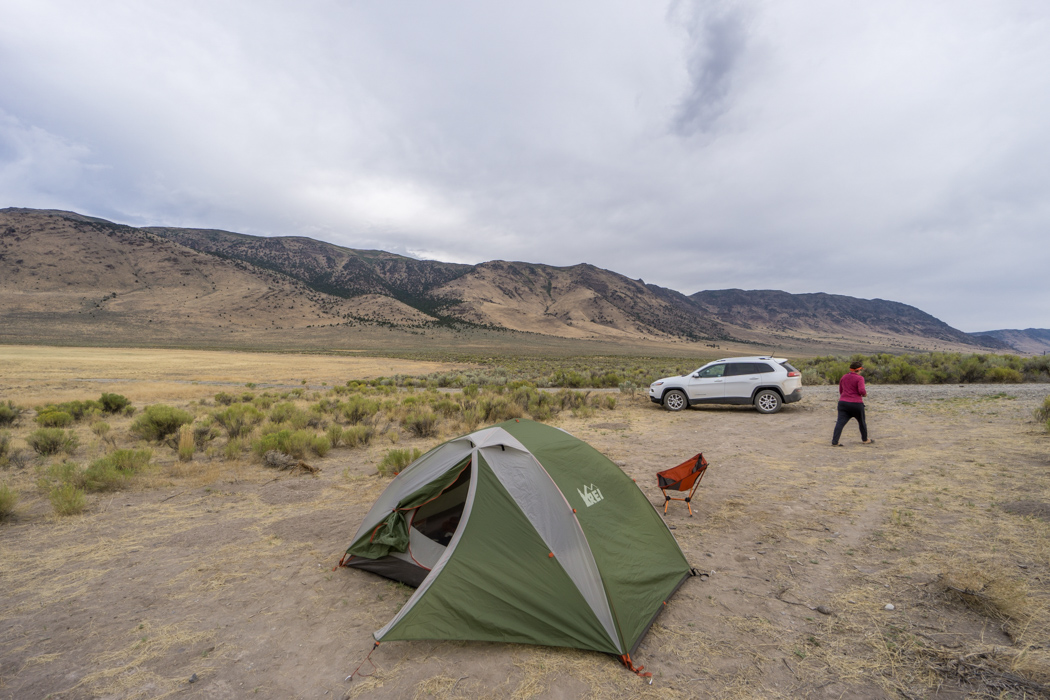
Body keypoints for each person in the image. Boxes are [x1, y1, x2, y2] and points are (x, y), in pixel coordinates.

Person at [832, 361, 873, 446]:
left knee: (840, 422)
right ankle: (865, 439)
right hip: (856, 404)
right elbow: (861, 391)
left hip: (843, 403)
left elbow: (841, 390)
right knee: (861, 422)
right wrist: (865, 394)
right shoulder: (859, 378)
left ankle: (835, 441)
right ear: (858, 370)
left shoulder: (844, 377)